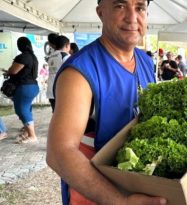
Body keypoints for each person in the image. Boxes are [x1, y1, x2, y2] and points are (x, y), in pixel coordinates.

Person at [46, 0, 166, 205]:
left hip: (138, 187)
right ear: (101, 13)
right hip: (97, 197)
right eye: (120, 6)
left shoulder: (145, 61)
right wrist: (121, 201)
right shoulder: (80, 72)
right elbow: (59, 153)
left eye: (139, 8)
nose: (132, 17)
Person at [4, 37, 39, 144]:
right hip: (33, 86)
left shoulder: (23, 57)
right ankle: (27, 132)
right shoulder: (33, 57)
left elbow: (13, 71)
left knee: (21, 110)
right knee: (26, 109)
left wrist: (8, 71)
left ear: (20, 46)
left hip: (24, 87)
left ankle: (32, 136)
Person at [46, 35, 71, 112]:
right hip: (61, 90)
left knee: (56, 114)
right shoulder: (65, 56)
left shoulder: (50, 56)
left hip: (51, 90)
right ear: (67, 45)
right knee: (65, 114)